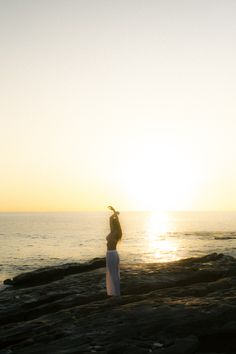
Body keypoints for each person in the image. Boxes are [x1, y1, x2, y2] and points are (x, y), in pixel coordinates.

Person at [106, 206, 122, 296]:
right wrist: (114, 211)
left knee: (113, 275)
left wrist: (114, 212)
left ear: (114, 224)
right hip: (112, 254)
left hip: (111, 254)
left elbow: (111, 218)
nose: (110, 223)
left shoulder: (115, 232)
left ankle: (116, 294)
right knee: (113, 275)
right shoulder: (116, 232)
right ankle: (115, 293)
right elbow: (112, 219)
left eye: (112, 223)